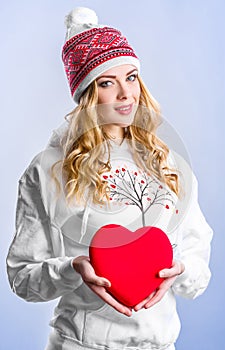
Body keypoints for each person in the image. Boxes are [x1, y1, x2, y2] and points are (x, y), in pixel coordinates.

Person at [6, 7, 213, 350]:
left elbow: (197, 265)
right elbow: (22, 277)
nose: (125, 94)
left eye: (131, 77)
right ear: (87, 94)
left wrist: (179, 268)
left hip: (160, 345)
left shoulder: (169, 164)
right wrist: (72, 269)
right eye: (106, 83)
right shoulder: (46, 171)